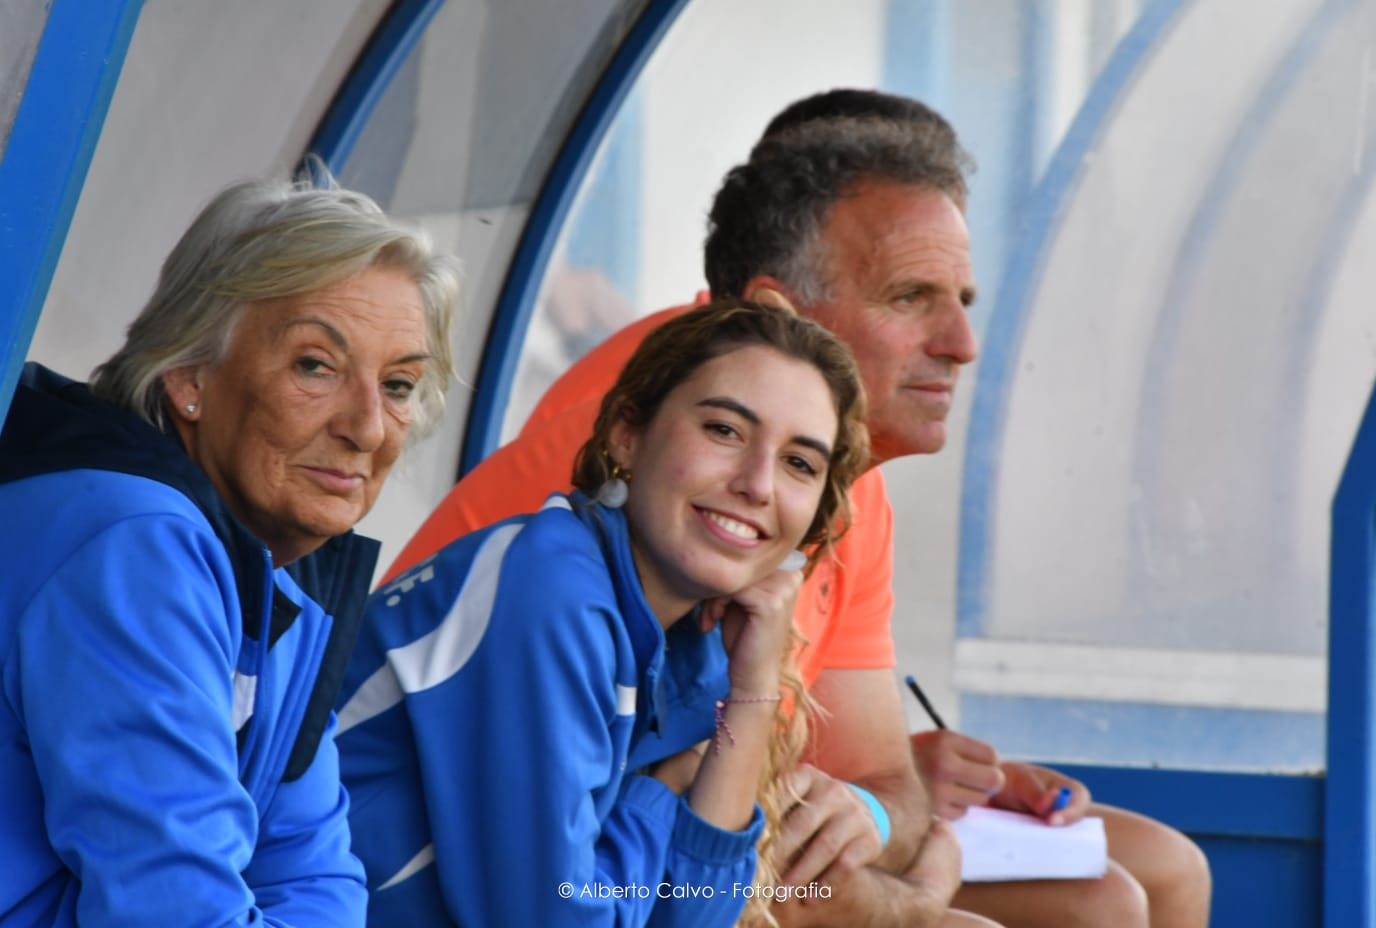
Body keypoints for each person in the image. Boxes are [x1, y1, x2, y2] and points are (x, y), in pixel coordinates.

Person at [387, 91, 1211, 928]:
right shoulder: (617, 515)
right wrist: (908, 893)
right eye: (909, 297)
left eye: (961, 299)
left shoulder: (833, 477)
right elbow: (586, 889)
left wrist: (867, 812)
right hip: (517, 879)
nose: (962, 345)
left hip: (643, 864)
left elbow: (797, 812)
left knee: (1146, 880)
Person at [334, 300, 888, 927]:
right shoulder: (548, 587)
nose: (758, 484)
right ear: (628, 432)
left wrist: (753, 690)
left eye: (799, 464)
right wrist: (664, 788)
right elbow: (552, 920)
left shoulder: (690, 643)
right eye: (724, 431)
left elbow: (690, 915)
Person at [0, 174, 461, 926]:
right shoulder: (135, 542)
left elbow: (318, 875)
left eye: (400, 385)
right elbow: (174, 911)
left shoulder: (278, 578)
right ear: (190, 375)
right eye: (316, 366)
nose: (368, 427)